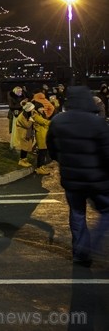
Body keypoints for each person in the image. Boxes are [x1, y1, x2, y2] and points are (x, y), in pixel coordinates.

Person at [46, 86, 109, 267]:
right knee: (106, 211)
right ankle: (93, 245)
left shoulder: (58, 120)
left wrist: (64, 162)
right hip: (97, 179)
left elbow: (52, 148)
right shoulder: (97, 122)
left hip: (71, 179)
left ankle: (80, 253)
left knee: (77, 213)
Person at [15, 102, 36, 168]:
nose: (33, 110)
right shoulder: (22, 116)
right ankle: (21, 161)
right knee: (24, 148)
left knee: (26, 147)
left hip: (26, 133)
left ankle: (24, 160)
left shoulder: (26, 114)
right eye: (32, 109)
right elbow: (27, 125)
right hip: (23, 133)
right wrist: (31, 120)